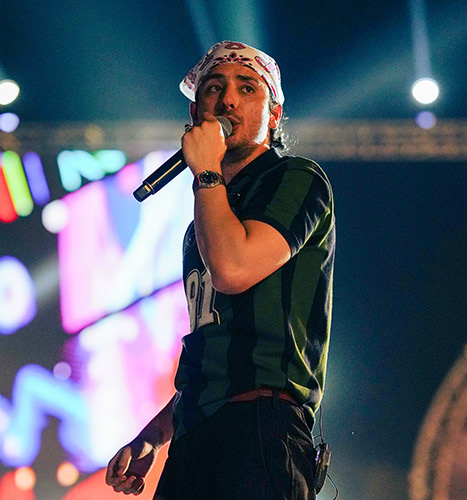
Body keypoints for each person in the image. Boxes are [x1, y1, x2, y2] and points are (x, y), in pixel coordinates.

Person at [106, 40, 335, 499]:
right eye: (214, 88)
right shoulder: (205, 222)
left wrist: (207, 172)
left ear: (273, 115)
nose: (228, 99)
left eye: (247, 88)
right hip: (196, 436)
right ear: (195, 114)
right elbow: (215, 353)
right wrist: (153, 435)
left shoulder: (296, 178)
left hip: (262, 430)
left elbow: (232, 270)